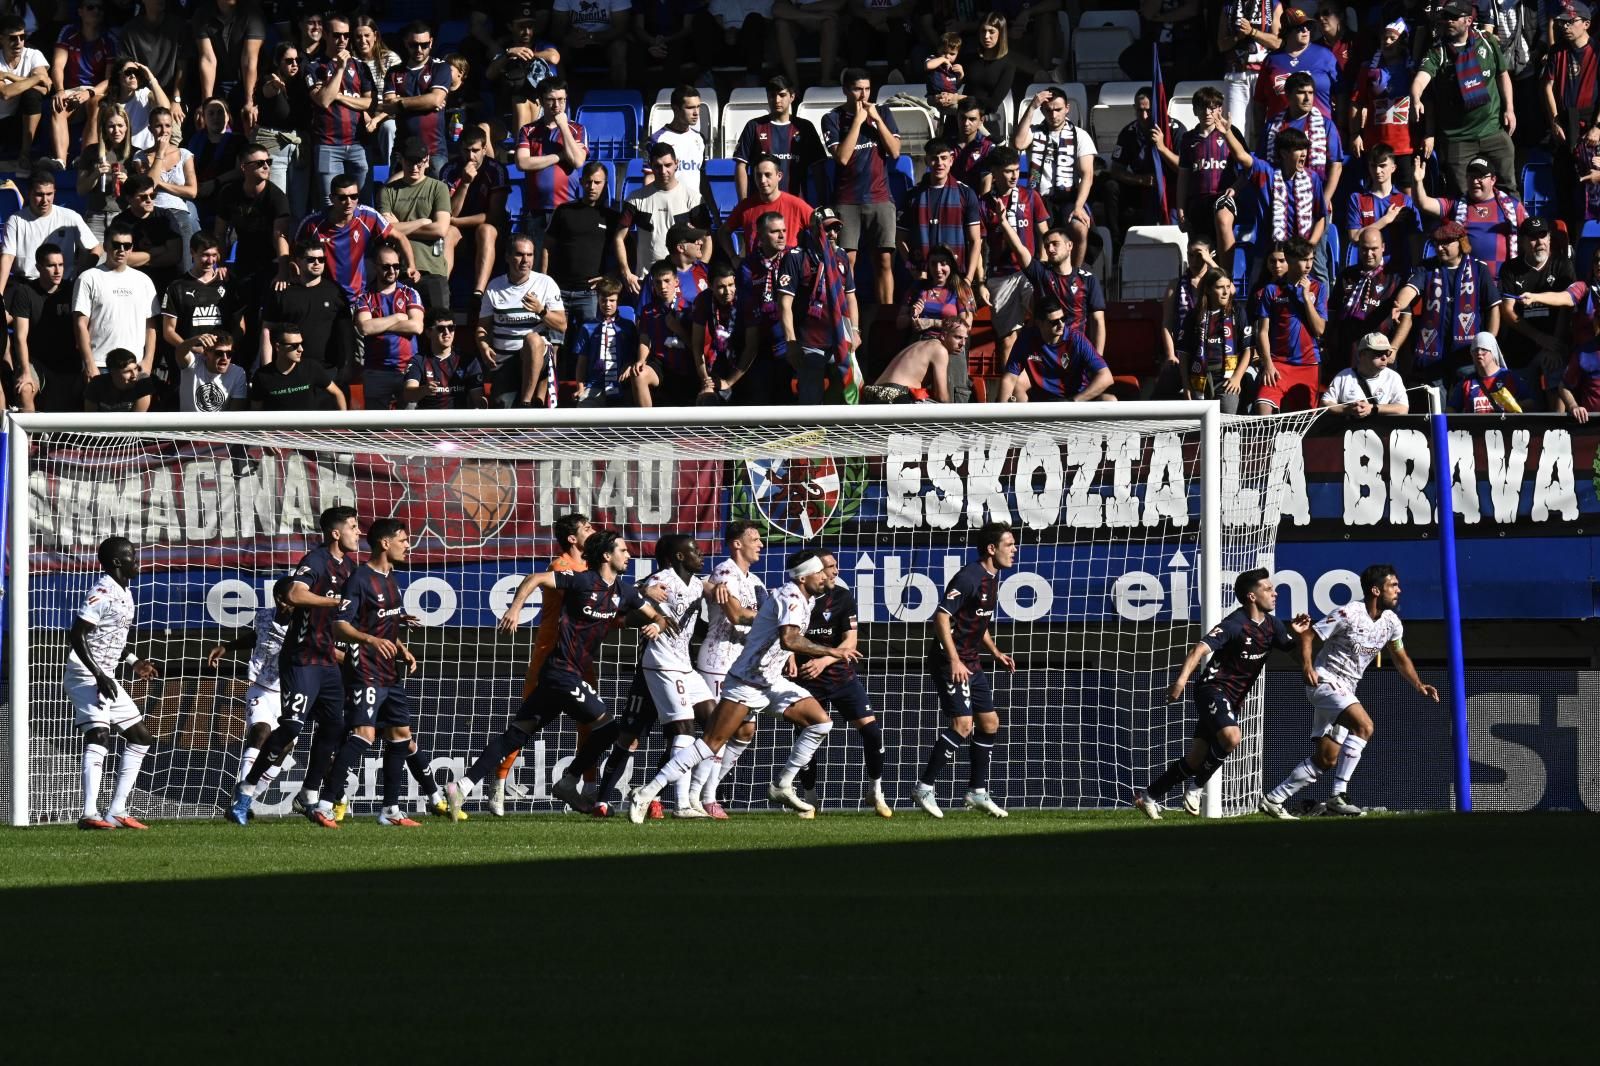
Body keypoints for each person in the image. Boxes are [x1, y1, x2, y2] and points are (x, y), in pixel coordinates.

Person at [448, 530, 674, 817]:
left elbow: (658, 616)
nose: (628, 555)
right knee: (608, 729)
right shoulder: (582, 580)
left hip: (563, 675)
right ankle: (569, 782)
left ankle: (463, 786)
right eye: (623, 550)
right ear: (607, 556)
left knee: (517, 734)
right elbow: (534, 579)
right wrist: (515, 609)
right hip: (561, 672)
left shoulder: (623, 592)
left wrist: (657, 625)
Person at [627, 549, 861, 821]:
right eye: (819, 572)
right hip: (746, 682)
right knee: (710, 744)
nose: (824, 577)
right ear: (803, 577)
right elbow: (789, 639)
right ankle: (646, 792)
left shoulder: (805, 598)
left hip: (770, 681)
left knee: (820, 722)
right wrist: (831, 652)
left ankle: (782, 785)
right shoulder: (793, 597)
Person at [1260, 564, 1439, 818]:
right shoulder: (1347, 613)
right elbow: (1310, 634)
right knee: (1364, 726)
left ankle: (1273, 798)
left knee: (1326, 759)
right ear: (1376, 590)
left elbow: (1400, 656)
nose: (1399, 590)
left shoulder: (1391, 623)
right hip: (1325, 681)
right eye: (1393, 586)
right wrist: (1308, 666)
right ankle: (1338, 795)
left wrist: (1419, 684)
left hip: (1347, 689)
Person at [1134, 568, 1311, 819]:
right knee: (1232, 737)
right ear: (1251, 596)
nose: (1275, 593)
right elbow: (1199, 650)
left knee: (1195, 758)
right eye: (1268, 589)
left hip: (1232, 699)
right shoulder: (1234, 624)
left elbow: (1296, 655)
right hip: (1212, 689)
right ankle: (1196, 789)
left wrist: (1303, 637)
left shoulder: (1272, 625)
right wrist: (1180, 682)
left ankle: (1148, 796)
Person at [227, 506, 362, 827]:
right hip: (301, 657)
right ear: (335, 533)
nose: (358, 533)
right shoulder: (316, 561)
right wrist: (332, 602)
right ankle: (245, 791)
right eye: (354, 527)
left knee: (334, 727)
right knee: (291, 727)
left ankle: (310, 793)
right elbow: (295, 592)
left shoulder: (350, 568)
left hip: (326, 657)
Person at [593, 534, 716, 818]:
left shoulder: (696, 584)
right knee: (636, 736)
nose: (702, 554)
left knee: (714, 725)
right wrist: (645, 595)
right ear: (680, 557)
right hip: (658, 665)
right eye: (695, 550)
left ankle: (669, 796)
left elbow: (688, 619)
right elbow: (626, 597)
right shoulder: (662, 580)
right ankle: (608, 799)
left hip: (683, 666)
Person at [316, 517, 428, 828]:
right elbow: (340, 624)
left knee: (400, 736)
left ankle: (390, 809)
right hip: (364, 669)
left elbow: (383, 622)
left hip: (389, 671)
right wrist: (371, 640)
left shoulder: (390, 578)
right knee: (363, 734)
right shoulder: (360, 579)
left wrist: (400, 647)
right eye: (403, 540)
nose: (408, 545)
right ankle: (324, 803)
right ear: (384, 543)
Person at [909, 521, 1017, 819]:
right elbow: (941, 617)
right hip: (950, 660)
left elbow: (976, 621)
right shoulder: (969, 576)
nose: (1014, 550)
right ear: (991, 549)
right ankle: (924, 787)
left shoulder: (993, 577)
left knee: (990, 722)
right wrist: (955, 660)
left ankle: (977, 792)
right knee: (963, 725)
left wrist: (995, 652)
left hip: (971, 659)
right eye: (1009, 544)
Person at [66, 536, 161, 830]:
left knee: (141, 737)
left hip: (106, 674)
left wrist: (134, 662)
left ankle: (117, 811)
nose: (137, 561)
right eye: (132, 556)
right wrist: (99, 674)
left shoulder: (124, 592)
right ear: (118, 562)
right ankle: (89, 814)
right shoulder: (101, 592)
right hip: (85, 673)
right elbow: (77, 634)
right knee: (99, 735)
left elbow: (110, 637)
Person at [787, 551, 891, 817]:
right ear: (815, 572)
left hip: (840, 676)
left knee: (872, 732)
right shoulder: (797, 598)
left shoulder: (843, 597)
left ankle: (875, 791)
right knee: (807, 739)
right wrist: (790, 659)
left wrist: (823, 660)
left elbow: (850, 643)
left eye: (835, 566)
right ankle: (810, 799)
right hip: (807, 680)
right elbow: (786, 635)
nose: (835, 571)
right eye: (829, 567)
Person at [684, 521, 766, 817]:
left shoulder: (755, 581)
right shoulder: (725, 572)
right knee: (718, 730)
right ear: (737, 544)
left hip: (743, 663)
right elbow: (734, 615)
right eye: (754, 539)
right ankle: (700, 796)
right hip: (719, 659)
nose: (760, 544)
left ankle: (710, 789)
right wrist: (770, 618)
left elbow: (755, 618)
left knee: (745, 730)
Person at [208, 578, 297, 816]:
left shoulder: (303, 624)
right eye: (286, 598)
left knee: (284, 746)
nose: (290, 603)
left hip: (289, 694)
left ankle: (248, 798)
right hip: (260, 687)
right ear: (279, 598)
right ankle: (240, 802)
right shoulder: (264, 615)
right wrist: (227, 647)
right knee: (261, 732)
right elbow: (257, 636)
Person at [1412, 0, 1516, 194]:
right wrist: (1415, 97)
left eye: (1453, 17)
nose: (1448, 21)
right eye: (1445, 17)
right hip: (1458, 138)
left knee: (1508, 188)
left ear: (1468, 20)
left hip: (1492, 131)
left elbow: (1502, 74)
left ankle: (1514, 224)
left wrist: (1509, 109)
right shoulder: (1438, 51)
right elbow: (1421, 79)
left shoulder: (1487, 41)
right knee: (1462, 195)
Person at [822, 68, 902, 308]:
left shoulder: (883, 113)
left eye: (867, 89)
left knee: (885, 261)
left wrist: (876, 120)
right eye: (858, 89)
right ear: (846, 90)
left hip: (880, 198)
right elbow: (842, 158)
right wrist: (857, 121)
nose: (863, 95)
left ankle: (886, 317)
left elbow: (895, 152)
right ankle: (847, 316)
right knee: (846, 261)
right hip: (847, 200)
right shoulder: (832, 118)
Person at [1390, 220, 1501, 385]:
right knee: (1436, 406)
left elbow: (1493, 307)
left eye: (1446, 242)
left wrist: (1489, 343)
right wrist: (1399, 304)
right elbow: (1411, 288)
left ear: (1461, 243)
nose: (1440, 247)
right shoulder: (1426, 267)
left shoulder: (1479, 269)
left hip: (1467, 355)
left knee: (1463, 404)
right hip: (1433, 353)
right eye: (1437, 243)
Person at [213, 144, 292, 359]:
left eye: (269, 162)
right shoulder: (229, 193)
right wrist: (219, 263)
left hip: (270, 261)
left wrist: (283, 271)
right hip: (243, 259)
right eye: (259, 163)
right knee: (236, 312)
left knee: (263, 316)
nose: (266, 166)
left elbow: (280, 236)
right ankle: (236, 362)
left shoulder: (276, 197)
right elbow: (220, 232)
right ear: (243, 167)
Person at [979, 147, 1049, 376]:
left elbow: (1044, 234)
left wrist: (1044, 266)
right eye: (1008, 171)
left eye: (1017, 170)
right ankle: (1010, 399)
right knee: (1007, 340)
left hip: (1029, 273)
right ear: (995, 173)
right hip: (1000, 276)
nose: (1014, 176)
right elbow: (978, 246)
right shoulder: (983, 204)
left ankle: (1049, 382)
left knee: (1046, 322)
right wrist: (980, 282)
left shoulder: (1030, 195)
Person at [777, 209, 859, 404]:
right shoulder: (796, 257)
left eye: (836, 228)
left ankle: (833, 432)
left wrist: (855, 330)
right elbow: (784, 304)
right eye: (827, 228)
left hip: (839, 340)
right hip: (809, 343)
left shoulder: (841, 257)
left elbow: (851, 297)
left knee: (844, 392)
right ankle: (812, 432)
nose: (832, 234)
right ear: (814, 230)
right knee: (810, 402)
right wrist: (791, 342)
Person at [477, 233, 566, 408]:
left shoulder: (545, 283)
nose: (525, 260)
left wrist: (541, 311)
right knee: (502, 410)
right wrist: (483, 345)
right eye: (519, 254)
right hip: (504, 362)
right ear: (508, 257)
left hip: (537, 357)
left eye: (530, 255)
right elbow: (483, 327)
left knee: (532, 338)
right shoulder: (494, 286)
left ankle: (527, 403)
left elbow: (562, 325)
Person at [1011, 87, 1095, 258]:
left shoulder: (1080, 135)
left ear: (1067, 109)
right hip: (1038, 197)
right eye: (1048, 110)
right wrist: (1032, 106)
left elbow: (1087, 175)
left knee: (1080, 229)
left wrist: (1079, 207)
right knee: (1040, 239)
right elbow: (1018, 143)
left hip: (1068, 197)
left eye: (1058, 109)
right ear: (1042, 111)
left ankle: (1074, 276)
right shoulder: (1034, 132)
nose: (1054, 115)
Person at [296, 173, 405, 302]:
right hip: (324, 297)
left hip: (359, 297)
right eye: (342, 197)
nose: (349, 202)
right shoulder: (312, 224)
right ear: (331, 198)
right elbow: (294, 253)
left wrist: (411, 266)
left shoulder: (368, 216)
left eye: (354, 197)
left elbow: (400, 238)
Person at [1412, 155, 1527, 277]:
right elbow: (1423, 203)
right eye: (1471, 176)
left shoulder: (1512, 206)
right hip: (1467, 283)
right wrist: (1418, 182)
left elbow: (1532, 234)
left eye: (1481, 176)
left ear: (1493, 180)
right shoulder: (1455, 205)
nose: (1475, 181)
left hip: (1502, 282)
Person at [514, 75, 588, 262]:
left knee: (565, 261)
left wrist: (562, 125)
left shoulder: (576, 129)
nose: (557, 105)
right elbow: (523, 163)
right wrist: (559, 156)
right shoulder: (528, 131)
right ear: (541, 101)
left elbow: (578, 161)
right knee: (536, 263)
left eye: (561, 99)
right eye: (551, 100)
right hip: (535, 210)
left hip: (566, 208)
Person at [73, 221, 159, 382]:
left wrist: (148, 362)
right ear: (105, 246)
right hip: (100, 365)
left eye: (127, 246)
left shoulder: (144, 280)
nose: (121, 250)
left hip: (136, 365)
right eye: (116, 244)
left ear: (132, 248)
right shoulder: (88, 278)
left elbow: (151, 326)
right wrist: (90, 364)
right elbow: (80, 325)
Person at [306, 13, 376, 208]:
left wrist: (338, 96)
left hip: (358, 144)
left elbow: (368, 104)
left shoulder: (360, 67)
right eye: (337, 35)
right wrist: (339, 69)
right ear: (325, 34)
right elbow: (323, 101)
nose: (343, 40)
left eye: (346, 35)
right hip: (328, 144)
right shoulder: (313, 66)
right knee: (330, 205)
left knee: (360, 204)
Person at [1251, 235, 1325, 412]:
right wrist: (1267, 364)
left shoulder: (1318, 288)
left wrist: (1307, 299)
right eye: (1303, 260)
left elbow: (1319, 330)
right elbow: (1262, 332)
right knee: (1263, 409)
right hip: (1278, 364)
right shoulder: (1271, 290)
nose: (1308, 265)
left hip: (1309, 364)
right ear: (1290, 260)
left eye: (1311, 259)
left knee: (1301, 423)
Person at [0, 167, 99, 297]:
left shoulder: (70, 217)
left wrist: (80, 277)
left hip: (61, 287)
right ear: (28, 193)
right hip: (26, 285)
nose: (45, 200)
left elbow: (96, 249)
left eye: (49, 194)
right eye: (39, 194)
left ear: (54, 193)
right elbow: (7, 257)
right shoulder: (16, 220)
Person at [259, 239, 350, 379]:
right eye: (311, 259)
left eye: (321, 259)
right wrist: (267, 370)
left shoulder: (335, 292)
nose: (317, 263)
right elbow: (267, 331)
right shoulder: (281, 291)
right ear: (298, 261)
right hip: (289, 370)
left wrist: (346, 365)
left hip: (326, 370)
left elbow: (345, 333)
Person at [994, 297, 1114, 403]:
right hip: (1043, 404)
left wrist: (1074, 401)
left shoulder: (1076, 339)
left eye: (1063, 318)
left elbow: (1106, 377)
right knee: (1016, 392)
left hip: (1076, 400)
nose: (1061, 324)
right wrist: (1000, 416)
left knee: (1110, 400)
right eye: (1054, 322)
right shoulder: (1026, 339)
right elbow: (1009, 378)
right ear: (1039, 323)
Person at [896, 138, 982, 285]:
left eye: (944, 158)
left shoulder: (966, 194)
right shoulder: (912, 195)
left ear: (951, 160)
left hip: (956, 277)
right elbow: (900, 239)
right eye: (934, 159)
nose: (939, 163)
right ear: (926, 161)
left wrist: (968, 278)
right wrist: (913, 269)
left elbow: (975, 241)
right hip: (922, 277)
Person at [377, 137, 452, 308]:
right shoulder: (387, 191)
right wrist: (423, 222)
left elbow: (440, 229)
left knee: (439, 327)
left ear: (427, 160)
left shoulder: (438, 188)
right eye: (410, 162)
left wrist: (400, 227)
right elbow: (386, 229)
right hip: (398, 271)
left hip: (432, 270)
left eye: (419, 162)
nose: (415, 167)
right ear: (401, 159)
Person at [1499, 216, 1578, 375]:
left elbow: (1566, 308)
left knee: (1556, 379)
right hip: (1522, 343)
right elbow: (1507, 311)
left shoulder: (1563, 265)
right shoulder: (1510, 269)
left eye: (1543, 236)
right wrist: (1539, 337)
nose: (1540, 242)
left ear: (1549, 238)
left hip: (1556, 340)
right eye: (1533, 237)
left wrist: (1554, 345)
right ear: (1522, 241)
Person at [441, 126, 510, 304]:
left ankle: (478, 294)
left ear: (485, 149)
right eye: (466, 150)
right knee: (447, 232)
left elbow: (494, 216)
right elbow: (449, 212)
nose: (470, 156)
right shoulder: (450, 169)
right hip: (459, 232)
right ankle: (441, 290)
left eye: (475, 151)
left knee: (485, 230)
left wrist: (456, 221)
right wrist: (464, 183)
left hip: (487, 230)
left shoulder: (496, 170)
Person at [7, 243, 79, 411]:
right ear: (38, 267)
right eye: (51, 265)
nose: (57, 270)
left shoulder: (72, 290)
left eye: (61, 265)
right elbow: (20, 336)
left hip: (68, 363)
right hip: (37, 361)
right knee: (24, 388)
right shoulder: (25, 291)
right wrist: (25, 371)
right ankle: (27, 438)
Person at [354, 242, 425, 410]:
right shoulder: (364, 297)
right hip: (376, 371)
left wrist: (379, 324)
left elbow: (416, 327)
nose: (392, 271)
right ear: (375, 266)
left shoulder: (410, 293)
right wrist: (398, 317)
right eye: (386, 266)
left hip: (408, 370)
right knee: (376, 431)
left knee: (409, 429)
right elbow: (364, 328)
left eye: (396, 266)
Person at [732, 74, 826, 200]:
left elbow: (818, 168)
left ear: (792, 96)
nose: (777, 100)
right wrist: (743, 202)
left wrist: (823, 202)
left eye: (782, 95)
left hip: (795, 205)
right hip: (761, 205)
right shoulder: (754, 126)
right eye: (772, 95)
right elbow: (741, 165)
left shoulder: (805, 127)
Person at [1350, 18, 1417, 191]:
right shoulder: (1368, 69)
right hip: (1375, 144)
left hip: (1405, 145)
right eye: (1383, 38)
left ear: (1402, 43)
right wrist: (1355, 134)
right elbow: (1357, 103)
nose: (1386, 42)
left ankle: (1406, 218)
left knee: (1407, 189)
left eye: (1391, 38)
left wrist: (1429, 133)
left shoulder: (1412, 69)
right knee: (1374, 189)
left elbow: (1428, 103)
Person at [1017, 226, 1107, 352]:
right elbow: (1019, 250)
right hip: (1045, 350)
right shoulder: (1041, 273)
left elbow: (1098, 321)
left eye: (1055, 244)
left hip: (1076, 350)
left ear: (1069, 245)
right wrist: (1003, 221)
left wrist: (1098, 359)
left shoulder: (1088, 279)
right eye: (1047, 246)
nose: (1050, 249)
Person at [382, 21, 455, 177]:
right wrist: (425, 102)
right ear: (405, 43)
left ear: (431, 42)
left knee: (439, 199)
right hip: (402, 151)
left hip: (434, 151)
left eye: (424, 45)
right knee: (395, 200)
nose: (419, 50)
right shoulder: (394, 72)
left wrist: (401, 102)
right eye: (413, 45)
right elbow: (388, 106)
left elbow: (435, 100)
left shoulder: (440, 68)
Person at [1328, 227, 1405, 371]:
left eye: (1374, 249)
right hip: (1347, 356)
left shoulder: (1395, 278)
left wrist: (1394, 349)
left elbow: (1407, 319)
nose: (1368, 254)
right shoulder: (1346, 275)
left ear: (1383, 247)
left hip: (1380, 358)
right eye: (1364, 249)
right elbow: (1332, 313)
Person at [1179, 269, 1253, 411]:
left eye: (1227, 286)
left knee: (1227, 423)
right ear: (1208, 289)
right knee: (1199, 427)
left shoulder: (1237, 311)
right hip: (1198, 378)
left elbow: (1248, 349)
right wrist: (1186, 384)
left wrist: (1237, 377)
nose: (1225, 292)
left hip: (1227, 379)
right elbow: (1184, 352)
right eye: (1219, 287)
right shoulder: (1194, 315)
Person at [723, 152, 815, 262]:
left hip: (788, 272)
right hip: (755, 273)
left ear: (779, 176)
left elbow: (821, 229)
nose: (762, 180)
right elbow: (723, 232)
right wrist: (734, 257)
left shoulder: (797, 205)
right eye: (758, 175)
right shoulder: (745, 206)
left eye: (768, 175)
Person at [1255, 7, 1339, 127]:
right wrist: (1258, 134)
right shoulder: (1272, 60)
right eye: (1299, 27)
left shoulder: (1325, 55)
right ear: (1287, 31)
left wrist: (1342, 127)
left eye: (1308, 26)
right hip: (1280, 132)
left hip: (1318, 131)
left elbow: (1342, 94)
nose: (1305, 30)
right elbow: (1259, 102)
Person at [1342, 145, 1420, 274]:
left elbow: (1415, 240)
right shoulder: (1357, 199)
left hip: (1398, 273)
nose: (1377, 171)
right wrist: (1386, 220)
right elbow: (1355, 237)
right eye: (1373, 166)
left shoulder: (1405, 201)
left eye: (1382, 165)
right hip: (1367, 272)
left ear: (1393, 168)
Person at [1175, 86, 1231, 240]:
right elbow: (1183, 177)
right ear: (1194, 110)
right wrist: (1181, 210)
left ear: (1220, 109)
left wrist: (1235, 190)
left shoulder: (1231, 134)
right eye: (1202, 108)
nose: (1207, 113)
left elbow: (1246, 170)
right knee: (1198, 251)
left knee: (1221, 249)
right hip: (1197, 204)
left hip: (1222, 201)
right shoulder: (1188, 139)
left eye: (1212, 108)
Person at [864, 317, 965, 402]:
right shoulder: (940, 350)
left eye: (965, 338)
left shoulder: (917, 345)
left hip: (872, 394)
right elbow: (942, 397)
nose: (963, 343)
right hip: (897, 395)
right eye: (958, 337)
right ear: (943, 336)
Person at [403, 308, 487, 409]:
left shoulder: (468, 360)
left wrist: (482, 403)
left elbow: (477, 399)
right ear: (429, 332)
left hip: (460, 421)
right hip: (428, 421)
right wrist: (424, 390)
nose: (447, 333)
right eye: (441, 328)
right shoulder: (418, 360)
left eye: (451, 328)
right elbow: (408, 394)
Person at [251, 325, 347, 411]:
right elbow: (256, 411)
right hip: (279, 430)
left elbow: (338, 393)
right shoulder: (262, 376)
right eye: (294, 346)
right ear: (278, 347)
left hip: (308, 430)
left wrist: (343, 422)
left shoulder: (311, 367)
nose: (301, 349)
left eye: (301, 343)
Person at [0, 13, 50, 170]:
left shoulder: (33, 54)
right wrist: (36, 79)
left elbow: (45, 87)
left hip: (21, 121)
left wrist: (8, 75)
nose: (19, 43)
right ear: (1, 38)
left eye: (22, 37)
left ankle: (25, 155)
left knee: (33, 95)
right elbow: (4, 93)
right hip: (2, 122)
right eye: (12, 38)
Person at [690, 262, 744, 403]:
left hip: (746, 362)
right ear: (710, 285)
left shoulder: (746, 299)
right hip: (717, 360)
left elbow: (752, 346)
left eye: (731, 285)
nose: (727, 291)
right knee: (706, 397)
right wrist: (705, 379)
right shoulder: (703, 300)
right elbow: (697, 344)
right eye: (721, 287)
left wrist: (730, 382)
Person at [1322, 332, 1409, 416]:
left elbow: (1403, 409)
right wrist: (1347, 409)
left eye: (1387, 353)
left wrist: (1372, 408)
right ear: (1362, 354)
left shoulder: (1393, 377)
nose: (1384, 357)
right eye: (1378, 353)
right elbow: (1324, 404)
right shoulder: (1344, 376)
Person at [1449, 332, 1534, 412]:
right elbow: (1450, 409)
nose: (1479, 353)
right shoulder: (1466, 383)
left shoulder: (1509, 377)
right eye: (1475, 350)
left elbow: (1530, 403)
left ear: (1493, 351)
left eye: (1484, 349)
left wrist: (1512, 405)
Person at [774, 0, 843, 89]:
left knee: (830, 22)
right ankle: (793, 84)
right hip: (799, 18)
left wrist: (803, 8)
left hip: (823, 19)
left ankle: (826, 79)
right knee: (781, 24)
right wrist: (814, 16)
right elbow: (777, 9)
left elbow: (837, 4)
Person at [647, 83, 706, 186]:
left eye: (698, 107)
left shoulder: (699, 138)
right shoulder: (658, 139)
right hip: (668, 201)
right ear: (675, 108)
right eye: (690, 107)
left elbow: (701, 177)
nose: (696, 112)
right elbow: (650, 178)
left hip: (695, 202)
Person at [178, 332, 248, 413]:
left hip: (221, 425)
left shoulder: (237, 373)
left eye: (229, 353)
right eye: (219, 353)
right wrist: (195, 340)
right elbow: (179, 351)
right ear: (205, 353)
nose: (225, 358)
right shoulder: (193, 364)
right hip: (188, 424)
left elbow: (235, 413)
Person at [83, 347, 159, 412]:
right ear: (113, 372)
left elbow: (136, 421)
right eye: (127, 371)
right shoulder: (97, 384)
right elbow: (91, 418)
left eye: (135, 368)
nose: (134, 375)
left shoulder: (143, 382)